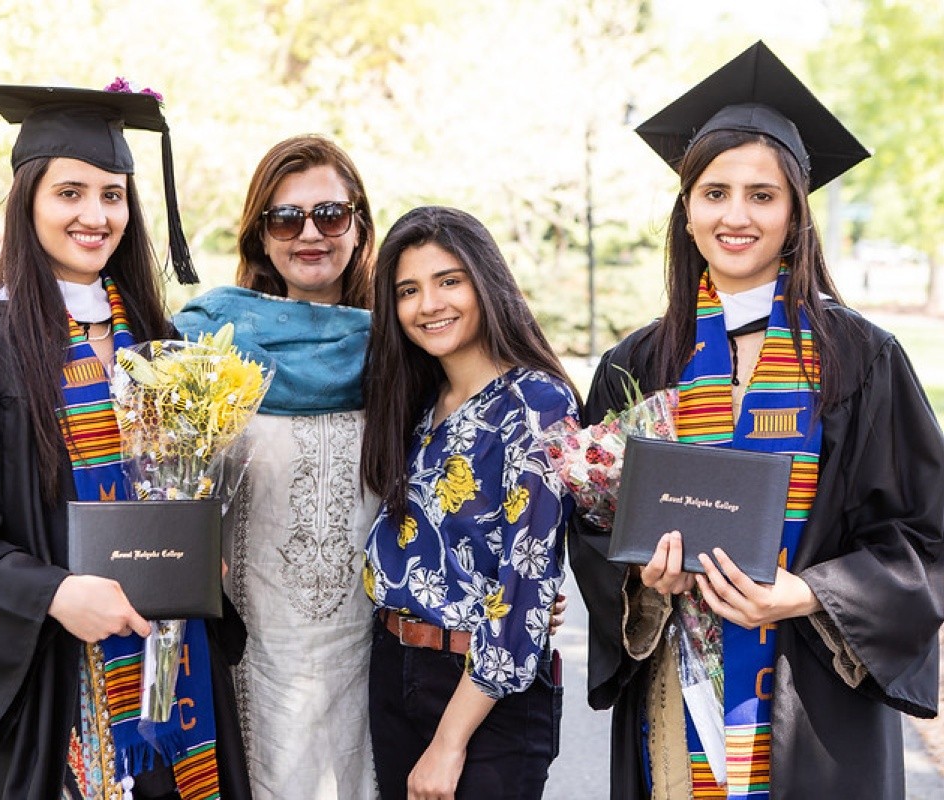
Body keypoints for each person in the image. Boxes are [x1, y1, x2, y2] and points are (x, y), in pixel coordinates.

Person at [568, 41, 944, 799]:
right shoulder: (634, 363)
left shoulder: (861, 361)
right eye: (714, 193)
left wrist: (806, 594)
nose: (735, 216)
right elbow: (589, 526)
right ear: (686, 209)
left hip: (817, 712)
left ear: (795, 213)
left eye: (762, 196)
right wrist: (642, 575)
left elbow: (926, 537)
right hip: (678, 700)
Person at [0, 82, 250, 799]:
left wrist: (199, 552)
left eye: (112, 195)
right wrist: (53, 593)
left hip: (172, 674)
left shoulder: (164, 347)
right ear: (28, 202)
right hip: (60, 693)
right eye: (70, 193)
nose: (95, 216)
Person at [174, 134, 380, 799]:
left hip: (372, 651)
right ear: (260, 235)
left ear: (359, 225)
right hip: (249, 648)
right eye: (286, 218)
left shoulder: (403, 344)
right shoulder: (207, 340)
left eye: (330, 214)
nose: (309, 234)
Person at [360, 205, 580, 800]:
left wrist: (449, 742)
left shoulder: (535, 404)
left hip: (482, 695)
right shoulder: (417, 401)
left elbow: (526, 589)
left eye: (448, 281)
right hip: (394, 668)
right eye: (408, 290)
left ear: (486, 282)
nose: (429, 304)